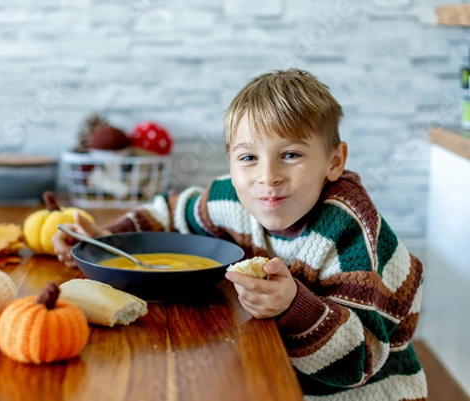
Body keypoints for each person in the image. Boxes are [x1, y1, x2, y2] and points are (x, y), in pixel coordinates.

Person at [52, 68, 427, 400]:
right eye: (248, 158)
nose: (267, 177)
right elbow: (168, 213)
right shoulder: (234, 198)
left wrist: (293, 305)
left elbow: (360, 360)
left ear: (334, 161)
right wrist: (106, 237)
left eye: (291, 155)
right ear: (231, 163)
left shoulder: (346, 229)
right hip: (282, 369)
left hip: (365, 389)